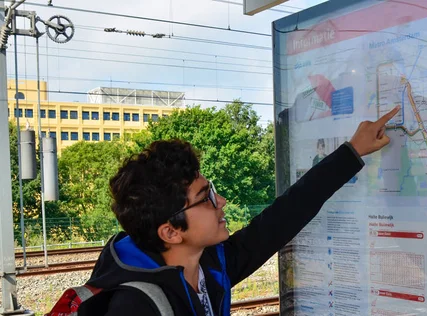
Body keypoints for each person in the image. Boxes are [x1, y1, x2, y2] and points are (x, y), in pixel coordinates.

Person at [77, 106, 400, 316]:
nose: (222, 202)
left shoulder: (211, 264)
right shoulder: (132, 306)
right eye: (206, 198)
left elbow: (284, 215)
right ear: (171, 231)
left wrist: (352, 152)